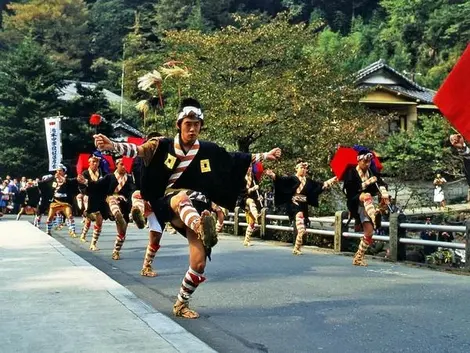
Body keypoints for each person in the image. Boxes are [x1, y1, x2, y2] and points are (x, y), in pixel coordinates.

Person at [93, 97, 281, 319]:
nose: (192, 129)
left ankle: (181, 303)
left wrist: (264, 156)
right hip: (166, 201)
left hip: (197, 204)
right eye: (188, 124)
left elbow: (233, 157)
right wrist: (113, 146)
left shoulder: (207, 149)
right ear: (179, 124)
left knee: (199, 262)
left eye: (196, 125)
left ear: (201, 126)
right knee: (181, 197)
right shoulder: (160, 145)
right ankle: (201, 226)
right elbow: (138, 150)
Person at [265, 160, 337, 255]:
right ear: (296, 169)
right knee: (300, 221)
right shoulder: (292, 179)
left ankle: (297, 247)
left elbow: (319, 186)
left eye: (304, 168)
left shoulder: (309, 181)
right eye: (301, 168)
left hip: (303, 205)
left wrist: (332, 180)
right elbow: (280, 181)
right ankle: (299, 238)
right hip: (293, 204)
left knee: (302, 226)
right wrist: (272, 175)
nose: (303, 170)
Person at [78, 158, 135, 260]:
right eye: (122, 164)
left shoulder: (129, 178)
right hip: (109, 201)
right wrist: (86, 181)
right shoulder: (109, 177)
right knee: (102, 217)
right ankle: (93, 242)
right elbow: (97, 185)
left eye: (125, 165)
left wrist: (132, 203)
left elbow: (132, 191)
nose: (124, 167)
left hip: (123, 203)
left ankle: (116, 251)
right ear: (117, 165)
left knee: (122, 230)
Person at [343, 150, 389, 266]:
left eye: (369, 162)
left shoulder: (372, 171)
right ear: (359, 160)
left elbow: (381, 183)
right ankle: (375, 217)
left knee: (369, 232)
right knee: (367, 195)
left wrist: (384, 193)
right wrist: (367, 183)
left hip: (367, 205)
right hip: (355, 200)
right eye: (365, 161)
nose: (367, 164)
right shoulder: (351, 172)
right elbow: (350, 190)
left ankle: (358, 257)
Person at [78, 155, 108, 250]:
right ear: (89, 163)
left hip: (100, 198)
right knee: (91, 218)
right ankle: (84, 235)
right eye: (93, 162)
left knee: (98, 221)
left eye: (97, 162)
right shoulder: (85, 173)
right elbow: (82, 188)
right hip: (89, 197)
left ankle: (93, 243)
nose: (95, 164)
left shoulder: (101, 172)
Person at [44, 165, 80, 237]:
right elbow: (45, 182)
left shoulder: (67, 179)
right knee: (50, 217)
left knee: (69, 216)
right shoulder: (53, 179)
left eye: (60, 170)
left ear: (64, 171)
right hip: (55, 201)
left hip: (65, 201)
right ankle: (48, 231)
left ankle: (72, 231)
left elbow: (70, 182)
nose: (58, 172)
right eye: (57, 170)